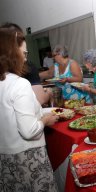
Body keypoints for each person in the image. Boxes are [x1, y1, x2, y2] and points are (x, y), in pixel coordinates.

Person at [0, 28, 59, 191]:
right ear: (12, 53)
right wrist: (46, 119)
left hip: (5, 158)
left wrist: (41, 113)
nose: (26, 58)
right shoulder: (19, 83)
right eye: (24, 53)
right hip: (28, 157)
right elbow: (29, 130)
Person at [0, 22, 52, 105]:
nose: (25, 59)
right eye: (24, 53)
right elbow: (40, 100)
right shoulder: (22, 80)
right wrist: (49, 92)